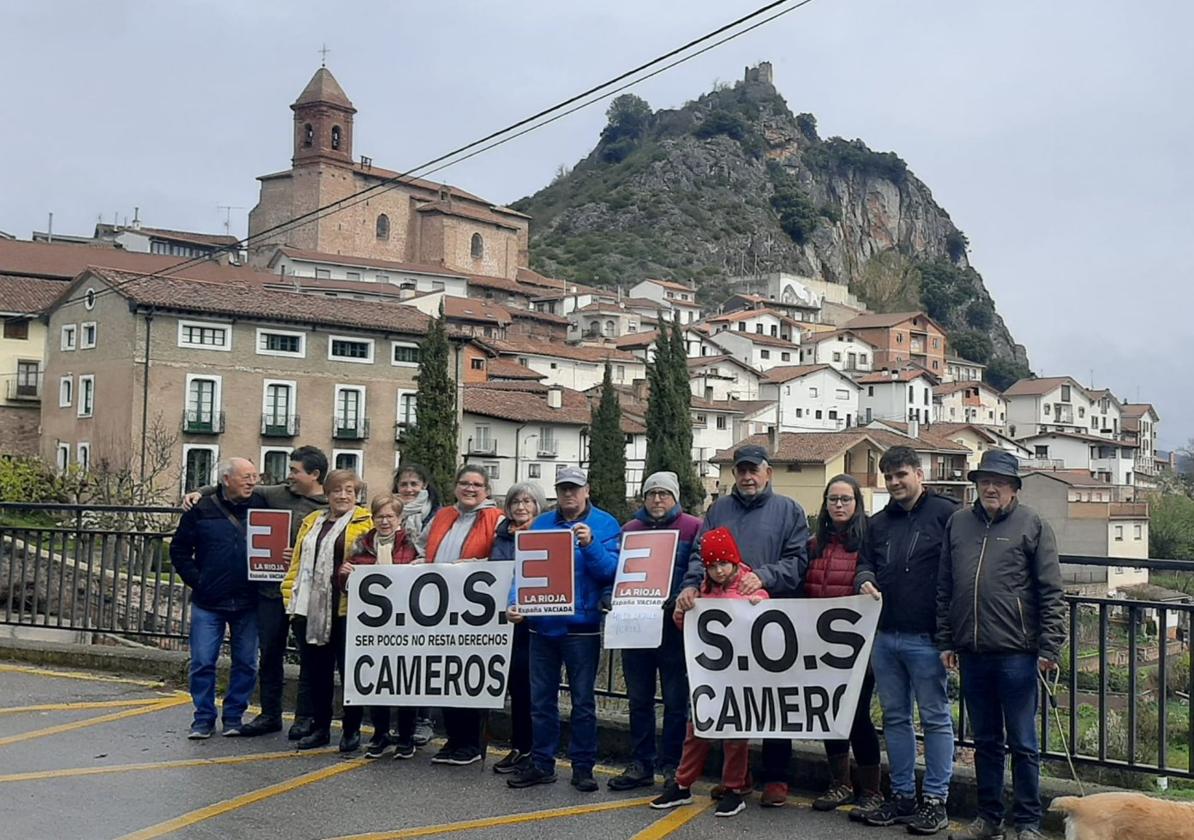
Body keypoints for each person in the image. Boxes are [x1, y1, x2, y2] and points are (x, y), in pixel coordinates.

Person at [937, 450, 1064, 840]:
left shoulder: (1033, 525)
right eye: (984, 481)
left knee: (1024, 743)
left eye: (1000, 482)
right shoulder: (958, 523)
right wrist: (945, 640)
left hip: (1017, 654)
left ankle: (1028, 822)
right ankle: (989, 817)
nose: (991, 487)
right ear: (976, 485)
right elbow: (945, 586)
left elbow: (1051, 591)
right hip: (972, 653)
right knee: (986, 742)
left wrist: (1050, 647)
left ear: (1013, 488)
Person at [675, 444, 809, 807]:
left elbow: (798, 562)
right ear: (734, 475)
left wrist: (763, 577)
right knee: (729, 704)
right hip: (723, 629)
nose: (748, 477)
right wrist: (690, 587)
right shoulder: (718, 510)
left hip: (768, 621)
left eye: (755, 470)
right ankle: (740, 778)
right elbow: (698, 558)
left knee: (772, 702)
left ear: (768, 473)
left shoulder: (789, 510)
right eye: (741, 471)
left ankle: (777, 777)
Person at [181, 445, 329, 739]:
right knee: (269, 654)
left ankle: (304, 718)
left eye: (294, 471)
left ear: (314, 474)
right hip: (271, 592)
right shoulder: (275, 494)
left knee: (309, 657)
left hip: (308, 593)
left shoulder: (329, 506)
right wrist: (200, 492)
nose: (289, 476)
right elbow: (233, 485)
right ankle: (270, 714)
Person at [853, 445, 958, 835]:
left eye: (902, 475)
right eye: (889, 477)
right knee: (895, 720)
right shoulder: (878, 523)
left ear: (919, 474)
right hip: (884, 636)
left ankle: (936, 801)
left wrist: (952, 636)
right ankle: (901, 798)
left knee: (935, 719)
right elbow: (864, 563)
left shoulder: (948, 515)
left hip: (929, 638)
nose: (895, 482)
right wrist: (863, 578)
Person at [507, 467, 620, 793]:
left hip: (581, 628)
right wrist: (514, 603)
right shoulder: (541, 523)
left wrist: (592, 545)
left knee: (583, 702)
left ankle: (583, 768)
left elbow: (612, 572)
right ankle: (542, 764)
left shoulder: (605, 524)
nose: (568, 494)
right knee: (541, 701)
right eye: (563, 489)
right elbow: (522, 572)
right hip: (542, 626)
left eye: (574, 488)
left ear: (587, 490)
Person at [651, 527, 768, 818]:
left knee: (735, 736)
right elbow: (687, 628)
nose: (717, 570)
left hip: (739, 679)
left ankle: (733, 789)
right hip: (708, 677)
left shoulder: (749, 588)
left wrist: (759, 604)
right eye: (711, 565)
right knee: (696, 731)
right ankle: (682, 784)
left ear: (734, 561)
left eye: (723, 564)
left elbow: (768, 616)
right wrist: (681, 612)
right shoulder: (701, 590)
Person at [608, 471, 702, 792]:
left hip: (674, 628)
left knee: (676, 702)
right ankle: (641, 763)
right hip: (635, 627)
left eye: (664, 493)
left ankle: (672, 765)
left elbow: (697, 568)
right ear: (643, 498)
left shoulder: (693, 527)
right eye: (652, 494)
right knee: (639, 700)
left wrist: (680, 597)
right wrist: (612, 599)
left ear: (675, 497)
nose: (658, 499)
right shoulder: (628, 531)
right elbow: (614, 573)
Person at [802, 474, 884, 816]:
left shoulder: (869, 543)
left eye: (845, 499)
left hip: (857, 648)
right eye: (833, 499)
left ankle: (873, 791)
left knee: (858, 716)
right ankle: (841, 784)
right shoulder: (813, 544)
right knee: (829, 714)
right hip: (819, 646)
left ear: (857, 504)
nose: (839, 505)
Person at [281, 469, 372, 751]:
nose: (343, 496)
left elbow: (375, 559)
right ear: (327, 494)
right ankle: (320, 727)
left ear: (356, 495)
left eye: (349, 491)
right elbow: (297, 560)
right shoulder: (312, 520)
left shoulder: (366, 522)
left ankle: (351, 730)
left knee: (350, 673)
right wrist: (289, 593)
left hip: (348, 608)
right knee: (316, 672)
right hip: (311, 606)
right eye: (337, 490)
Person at [170, 458, 261, 740]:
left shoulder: (262, 506)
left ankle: (234, 716)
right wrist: (199, 581)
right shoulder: (201, 510)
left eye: (254, 476)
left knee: (247, 662)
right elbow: (179, 551)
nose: (251, 482)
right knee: (202, 662)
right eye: (245, 477)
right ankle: (203, 718)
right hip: (209, 601)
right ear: (226, 479)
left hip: (248, 600)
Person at [421, 464, 503, 766]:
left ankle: (470, 743)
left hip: (474, 614)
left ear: (487, 491)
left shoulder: (496, 519)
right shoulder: (442, 516)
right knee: (445, 676)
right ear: (455, 487)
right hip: (440, 610)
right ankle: (453, 738)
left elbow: (503, 557)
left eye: (477, 485)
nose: (470, 489)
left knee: (469, 676)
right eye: (465, 483)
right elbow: (423, 549)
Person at [338, 493, 420, 759]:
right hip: (372, 626)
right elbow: (344, 585)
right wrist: (345, 575)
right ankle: (381, 732)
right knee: (376, 678)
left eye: (390, 516)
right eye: (380, 516)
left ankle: (406, 736)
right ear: (373, 518)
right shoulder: (362, 544)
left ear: (399, 519)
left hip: (406, 623)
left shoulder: (412, 544)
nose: (384, 521)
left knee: (406, 681)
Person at [488, 481, 547, 775]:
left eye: (527, 502)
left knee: (531, 689)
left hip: (534, 621)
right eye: (515, 502)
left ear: (538, 506)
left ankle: (534, 749)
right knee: (516, 687)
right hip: (505, 621)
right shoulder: (501, 537)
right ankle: (520, 746)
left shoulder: (546, 534)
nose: (521, 507)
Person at [393, 462, 440, 745]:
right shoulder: (388, 515)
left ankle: (425, 718)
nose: (409, 489)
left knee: (426, 659)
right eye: (404, 484)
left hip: (429, 596)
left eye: (415, 484)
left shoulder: (438, 516)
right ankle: (403, 720)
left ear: (425, 487)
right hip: (398, 597)